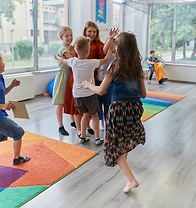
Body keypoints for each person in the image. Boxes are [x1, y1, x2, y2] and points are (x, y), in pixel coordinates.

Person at [82, 32, 146, 194]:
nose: (114, 46)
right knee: (123, 141)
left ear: (120, 48)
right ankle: (127, 173)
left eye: (116, 44)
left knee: (113, 147)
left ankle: (131, 180)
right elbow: (143, 94)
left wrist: (89, 86)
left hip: (119, 109)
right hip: (135, 108)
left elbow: (102, 91)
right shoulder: (137, 66)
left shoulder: (115, 65)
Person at [55, 36, 115, 145]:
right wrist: (110, 50)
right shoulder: (91, 62)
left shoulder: (73, 61)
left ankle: (82, 136)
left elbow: (63, 60)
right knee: (94, 115)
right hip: (89, 95)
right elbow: (106, 60)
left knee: (85, 115)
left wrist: (57, 57)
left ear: (76, 51)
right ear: (88, 51)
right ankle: (97, 138)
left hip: (77, 96)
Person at [63, 21, 119, 135]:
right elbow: (75, 58)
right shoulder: (81, 42)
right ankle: (80, 129)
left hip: (91, 76)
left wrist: (109, 39)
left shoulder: (98, 43)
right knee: (79, 104)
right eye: (89, 31)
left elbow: (103, 52)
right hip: (78, 76)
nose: (92, 34)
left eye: (94, 31)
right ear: (85, 31)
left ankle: (88, 126)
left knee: (90, 104)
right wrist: (70, 54)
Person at [52, 26, 76, 136]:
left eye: (71, 35)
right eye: (67, 36)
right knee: (61, 103)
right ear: (61, 37)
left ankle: (72, 121)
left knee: (70, 99)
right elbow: (72, 61)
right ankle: (60, 126)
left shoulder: (69, 47)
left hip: (69, 75)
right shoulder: (64, 49)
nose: (69, 37)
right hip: (63, 76)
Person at [97, 38, 117, 131]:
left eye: (113, 45)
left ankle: (107, 121)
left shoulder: (113, 56)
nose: (110, 46)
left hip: (108, 83)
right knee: (98, 103)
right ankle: (101, 120)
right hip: (98, 81)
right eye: (109, 44)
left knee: (107, 103)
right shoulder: (100, 54)